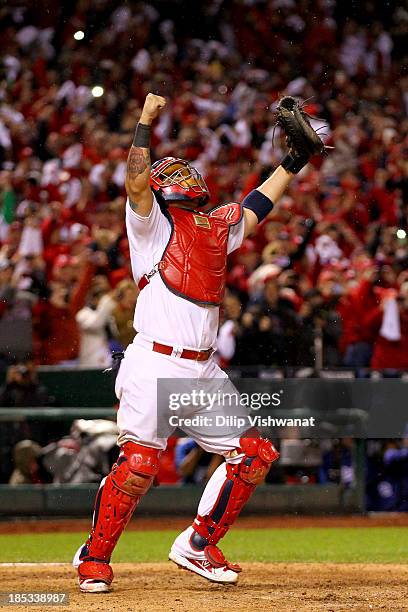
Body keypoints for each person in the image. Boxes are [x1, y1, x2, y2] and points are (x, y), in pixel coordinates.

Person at [73, 92, 326, 591]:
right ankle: (94, 556)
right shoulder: (149, 224)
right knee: (139, 464)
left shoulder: (212, 227)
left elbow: (256, 206)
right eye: (177, 171)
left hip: (203, 369)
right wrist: (145, 120)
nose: (186, 174)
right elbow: (135, 180)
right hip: (152, 363)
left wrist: (293, 162)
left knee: (253, 453)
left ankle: (197, 543)